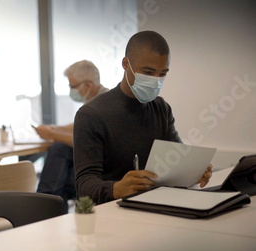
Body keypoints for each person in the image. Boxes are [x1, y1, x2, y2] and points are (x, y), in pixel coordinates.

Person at [73, 31, 212, 205]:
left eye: (162, 74)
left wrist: (194, 171)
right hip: (113, 214)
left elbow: (178, 160)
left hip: (157, 206)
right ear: (125, 64)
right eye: (148, 72)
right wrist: (116, 189)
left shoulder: (161, 108)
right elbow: (84, 186)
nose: (156, 80)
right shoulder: (91, 114)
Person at [34, 60, 108, 212]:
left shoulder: (103, 104)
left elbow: (87, 142)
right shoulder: (95, 100)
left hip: (102, 165)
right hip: (95, 163)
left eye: (72, 87)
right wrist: (55, 129)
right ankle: (46, 203)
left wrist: (53, 134)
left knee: (59, 150)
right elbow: (82, 127)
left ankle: (43, 204)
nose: (70, 91)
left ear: (88, 85)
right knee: (60, 165)